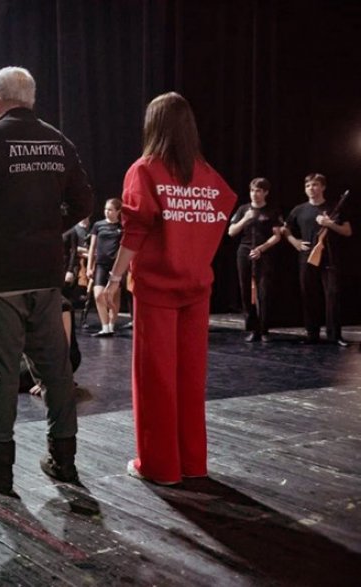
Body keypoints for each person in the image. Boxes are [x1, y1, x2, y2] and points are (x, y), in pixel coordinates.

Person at [0, 66, 93, 494]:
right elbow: (83, 202)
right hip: (45, 278)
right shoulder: (58, 141)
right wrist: (47, 230)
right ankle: (63, 460)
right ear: (30, 100)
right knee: (57, 372)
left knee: (1, 372)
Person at [103, 92, 236, 485]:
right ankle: (193, 462)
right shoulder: (207, 175)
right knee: (191, 379)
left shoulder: (144, 170)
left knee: (156, 379)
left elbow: (134, 232)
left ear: (153, 126)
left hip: (157, 290)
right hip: (197, 287)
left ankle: (160, 466)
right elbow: (223, 209)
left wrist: (114, 279)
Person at [284, 173, 351, 346]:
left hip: (330, 257)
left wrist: (329, 224)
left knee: (332, 295)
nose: (311, 189)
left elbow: (347, 231)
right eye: (308, 186)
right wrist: (295, 242)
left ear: (323, 187)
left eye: (315, 185)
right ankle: (312, 334)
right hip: (307, 257)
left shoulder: (333, 208)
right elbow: (285, 229)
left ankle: (334, 335)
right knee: (309, 295)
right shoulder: (299, 209)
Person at [228, 177, 283, 342]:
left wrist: (261, 249)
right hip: (244, 251)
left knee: (264, 291)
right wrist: (245, 219)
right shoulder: (243, 209)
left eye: (258, 191)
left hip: (264, 252)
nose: (254, 194)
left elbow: (277, 236)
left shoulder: (272, 211)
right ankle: (253, 328)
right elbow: (231, 231)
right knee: (246, 291)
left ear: (265, 192)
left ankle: (264, 329)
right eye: (252, 190)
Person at [87, 199, 124, 336]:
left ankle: (111, 326)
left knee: (113, 297)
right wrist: (90, 266)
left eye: (110, 210)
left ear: (118, 211)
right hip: (100, 264)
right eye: (105, 209)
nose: (107, 212)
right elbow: (92, 247)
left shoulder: (122, 227)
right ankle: (105, 325)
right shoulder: (98, 225)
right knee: (98, 295)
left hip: (115, 265)